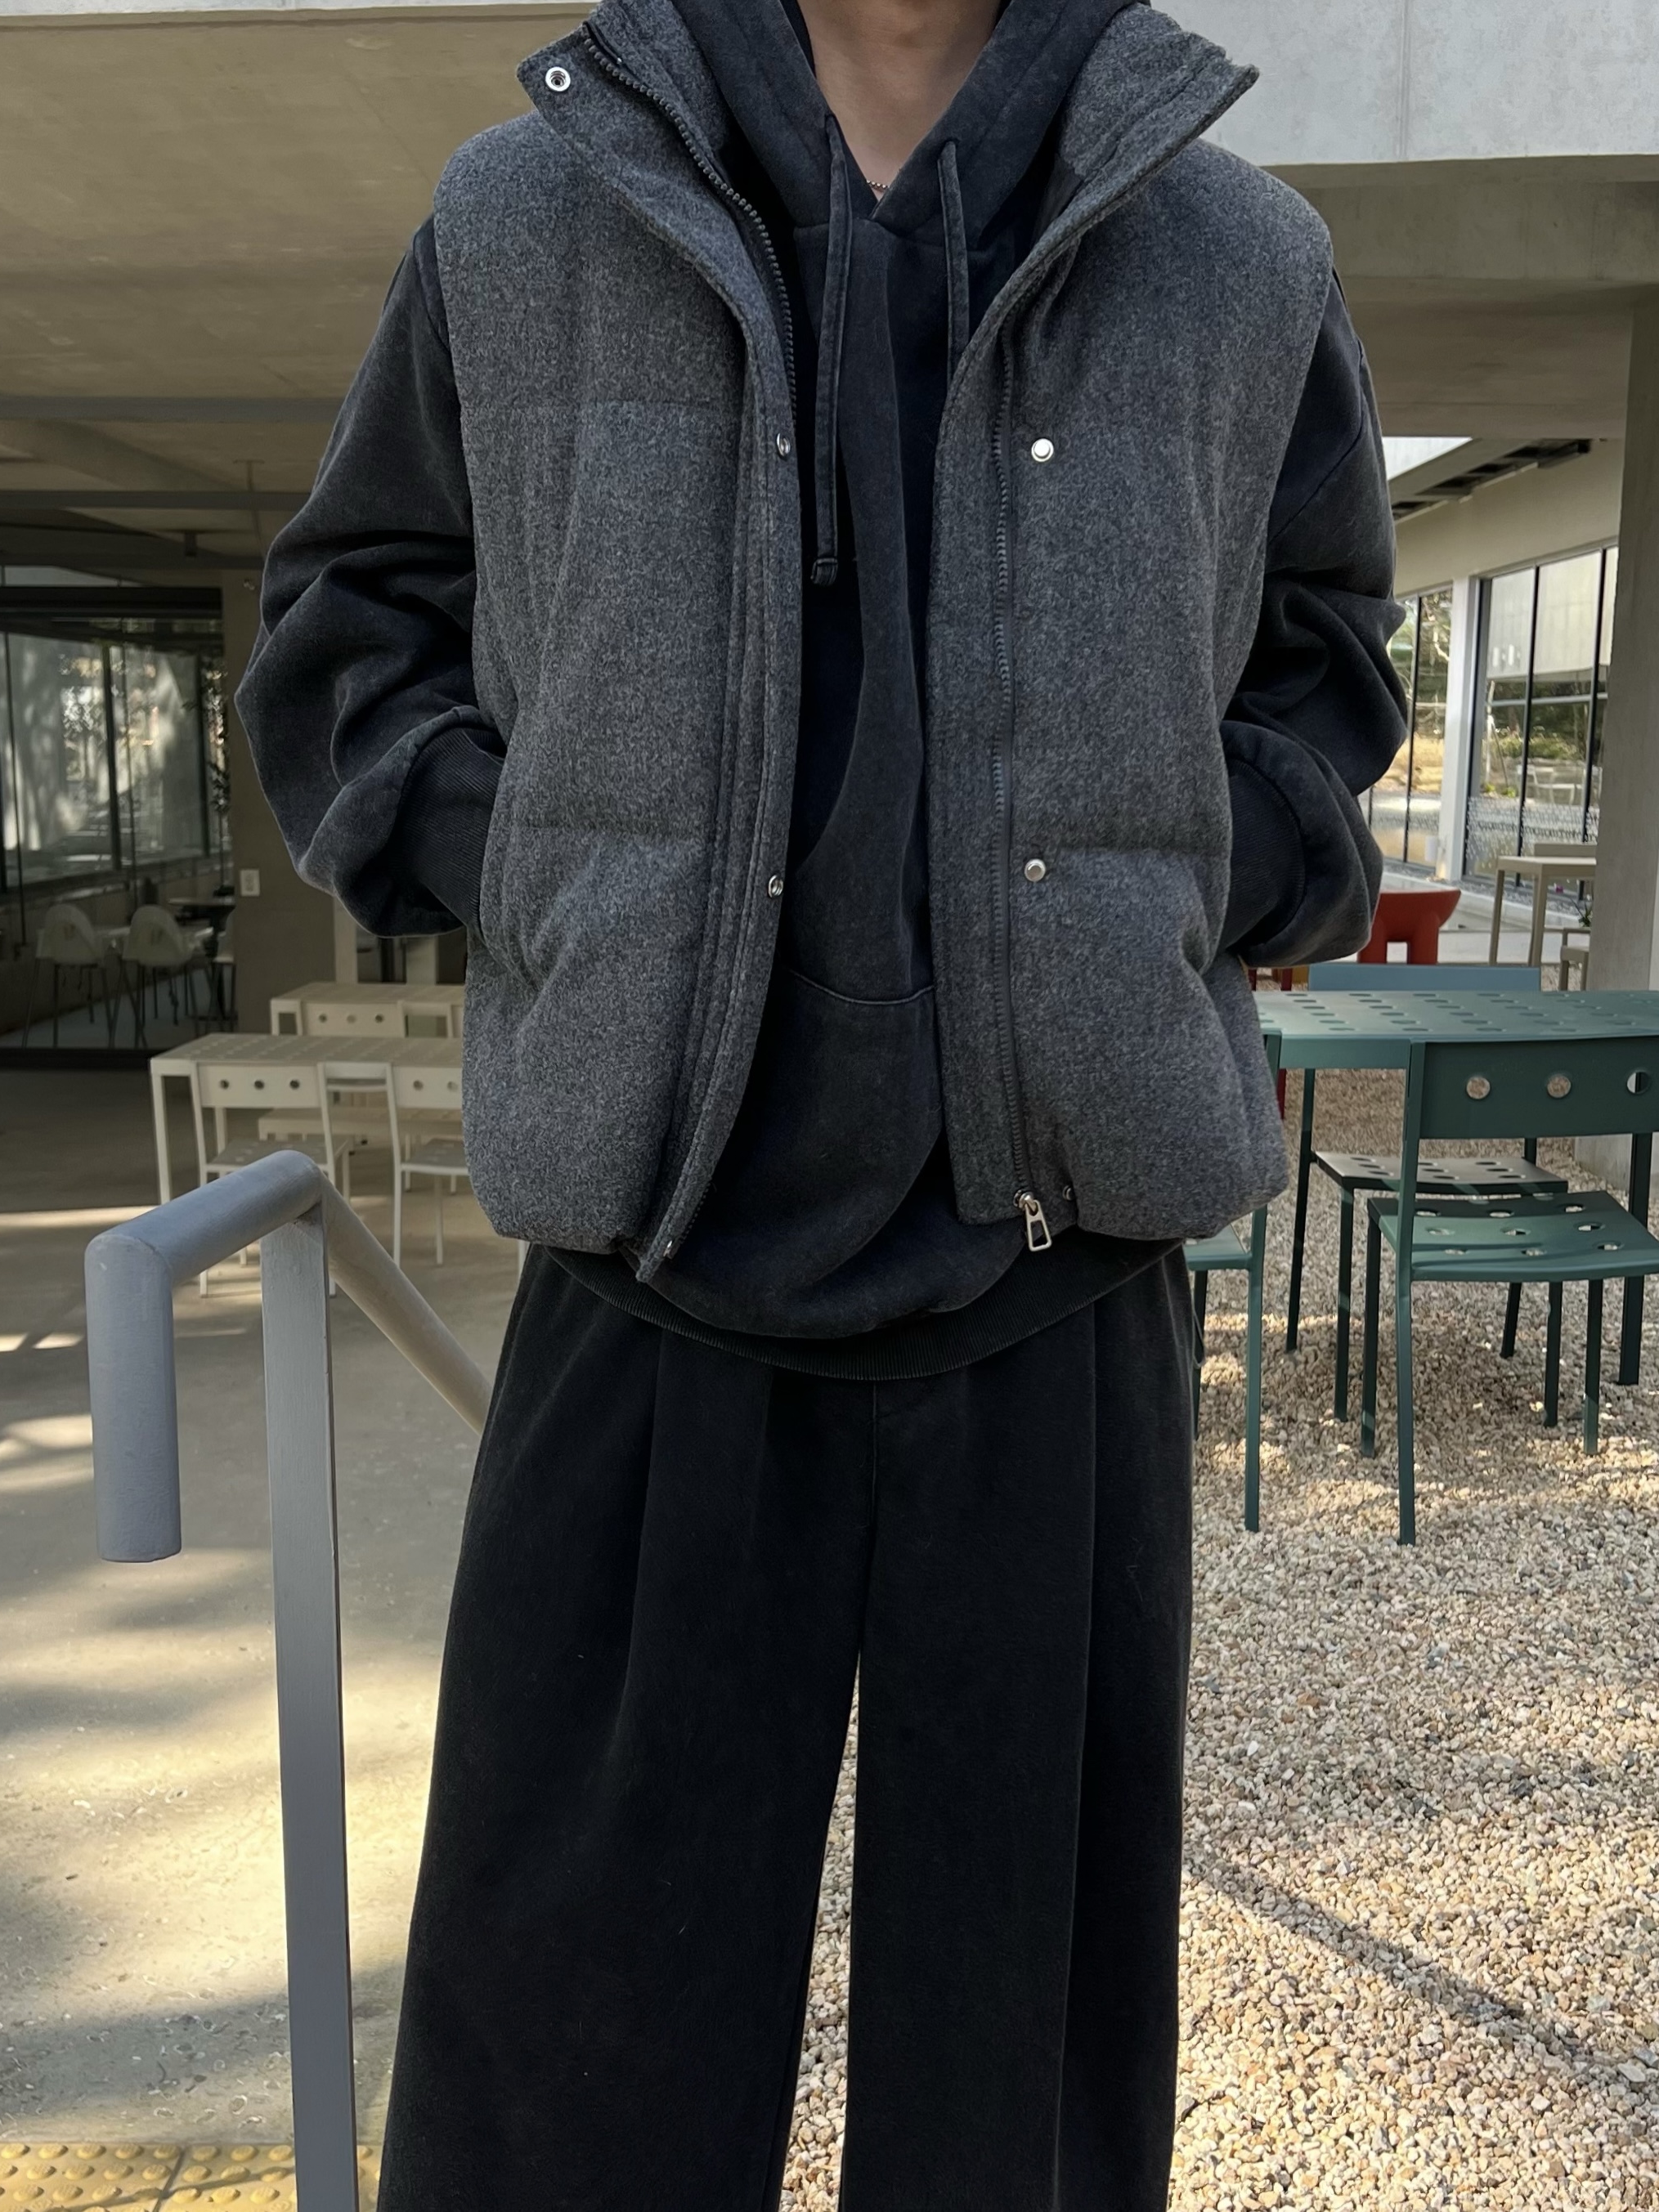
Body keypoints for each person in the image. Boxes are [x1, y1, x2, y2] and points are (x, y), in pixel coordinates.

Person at [240, 0, 1406, 2198]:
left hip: (1056, 1266)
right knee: (557, 2063)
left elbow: (1324, 662)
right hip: (650, 1248)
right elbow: (348, 634)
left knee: (1020, 2081)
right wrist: (551, 876)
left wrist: (1201, 876)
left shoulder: (1236, 254)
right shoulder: (527, 215)